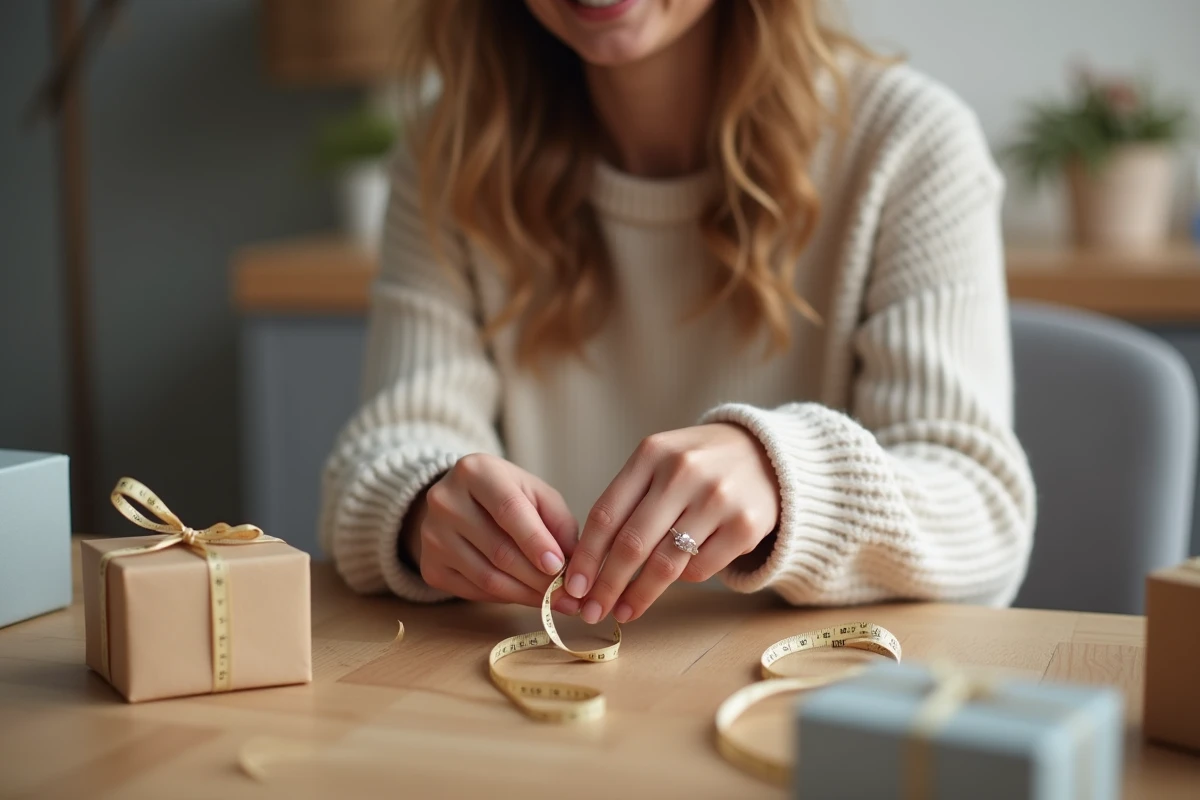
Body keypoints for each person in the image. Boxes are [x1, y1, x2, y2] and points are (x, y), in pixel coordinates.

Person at [318, 0, 1036, 627]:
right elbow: (378, 457)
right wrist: (419, 507)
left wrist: (787, 480)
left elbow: (983, 515)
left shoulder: (909, 144)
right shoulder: (449, 156)